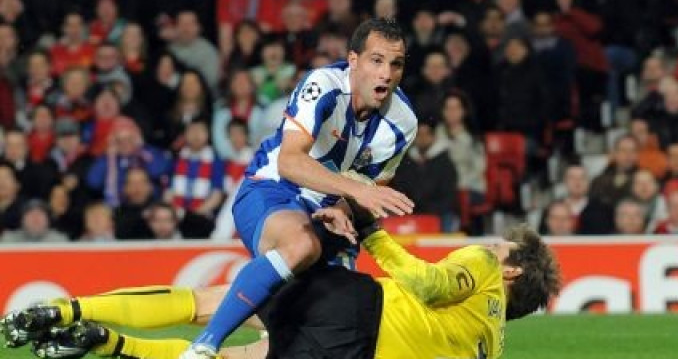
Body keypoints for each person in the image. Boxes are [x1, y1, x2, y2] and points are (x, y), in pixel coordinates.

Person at [172, 18, 417, 358]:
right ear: (354, 60)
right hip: (272, 189)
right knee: (301, 246)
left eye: (396, 64)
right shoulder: (324, 84)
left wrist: (345, 208)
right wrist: (354, 191)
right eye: (377, 60)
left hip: (328, 216)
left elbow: (371, 191)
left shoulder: (403, 123)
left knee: (339, 317)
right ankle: (203, 347)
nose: (386, 73)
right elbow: (290, 161)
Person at [4, 220, 560, 359]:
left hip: (358, 302)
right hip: (353, 352)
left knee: (208, 306)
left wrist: (373, 233)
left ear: (512, 273)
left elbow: (430, 283)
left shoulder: (483, 268)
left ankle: (65, 307)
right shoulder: (490, 344)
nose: (491, 247)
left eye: (501, 248)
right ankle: (107, 345)